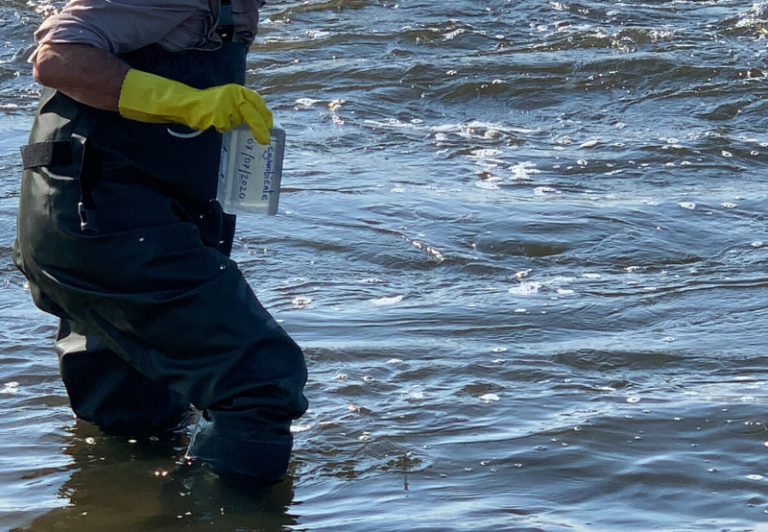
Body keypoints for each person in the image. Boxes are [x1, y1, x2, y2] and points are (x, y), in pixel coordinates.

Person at [13, 0, 309, 486]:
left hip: (127, 220)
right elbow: (58, 57)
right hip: (103, 222)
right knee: (260, 382)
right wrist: (188, 103)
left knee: (135, 420)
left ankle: (111, 509)